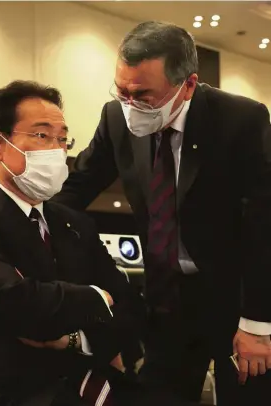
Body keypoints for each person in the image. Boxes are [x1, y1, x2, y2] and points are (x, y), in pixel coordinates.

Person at [53, 21, 271, 406]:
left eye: (143, 95)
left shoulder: (241, 120)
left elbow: (263, 226)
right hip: (167, 300)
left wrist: (257, 325)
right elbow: (76, 190)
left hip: (234, 299)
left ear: (187, 85)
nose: (130, 103)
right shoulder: (116, 118)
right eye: (121, 90)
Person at [0, 80, 197, 406]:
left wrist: (73, 339)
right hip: (9, 393)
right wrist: (96, 297)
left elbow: (131, 311)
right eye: (41, 135)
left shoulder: (74, 224)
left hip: (92, 382)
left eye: (62, 138)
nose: (57, 148)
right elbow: (21, 304)